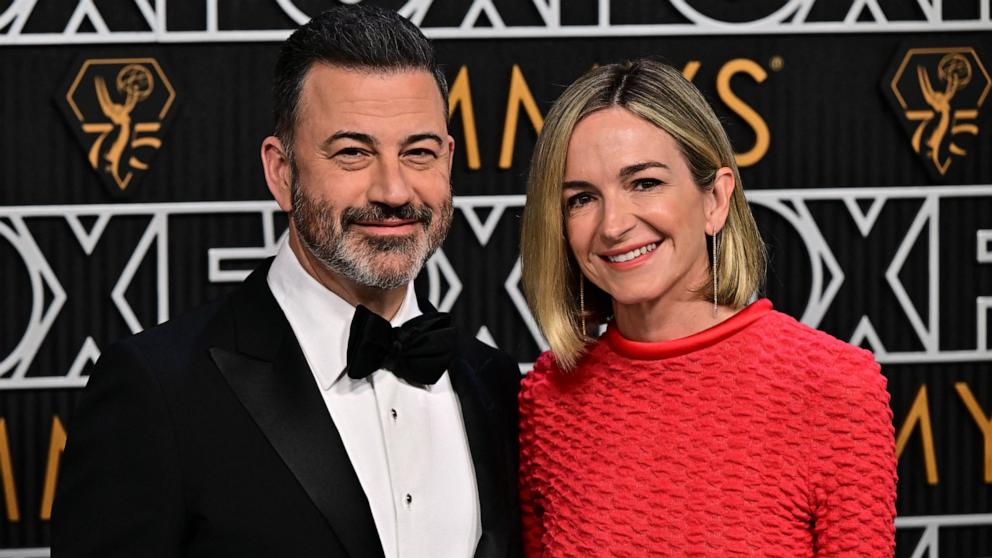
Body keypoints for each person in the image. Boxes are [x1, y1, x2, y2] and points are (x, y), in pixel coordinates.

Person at [52, 6, 521, 558]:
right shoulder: (159, 390)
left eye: (417, 152)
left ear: (447, 162)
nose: (393, 190)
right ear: (281, 171)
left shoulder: (493, 382)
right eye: (353, 152)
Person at [518, 59, 896, 556]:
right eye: (582, 198)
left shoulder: (834, 386)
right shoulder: (548, 397)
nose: (613, 225)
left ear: (715, 199)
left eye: (645, 183)